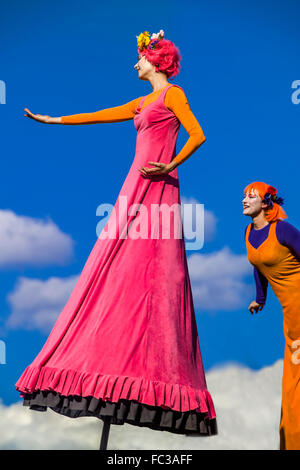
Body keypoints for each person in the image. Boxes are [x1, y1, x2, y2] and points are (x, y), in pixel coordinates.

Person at [15, 29, 217, 438]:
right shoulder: (142, 102)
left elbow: (198, 134)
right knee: (114, 260)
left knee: (157, 267)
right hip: (134, 184)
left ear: (157, 60)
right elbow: (99, 115)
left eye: (140, 57)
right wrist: (52, 119)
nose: (135, 64)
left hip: (158, 184)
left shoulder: (172, 95)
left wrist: (168, 164)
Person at [243, 181, 300, 449]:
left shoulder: (284, 230)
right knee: (291, 379)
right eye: (244, 196)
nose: (244, 200)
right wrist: (260, 298)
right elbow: (259, 264)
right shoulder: (248, 233)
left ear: (266, 203)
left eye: (250, 197)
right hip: (291, 314)